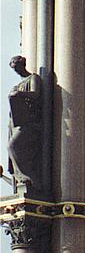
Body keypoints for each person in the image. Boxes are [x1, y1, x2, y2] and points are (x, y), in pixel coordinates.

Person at [7, 54, 41, 192]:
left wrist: (19, 94)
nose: (16, 71)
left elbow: (35, 94)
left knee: (13, 146)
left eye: (17, 67)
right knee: (12, 147)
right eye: (14, 69)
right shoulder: (18, 85)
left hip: (30, 122)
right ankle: (21, 178)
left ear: (23, 65)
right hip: (17, 122)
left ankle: (29, 178)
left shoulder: (33, 78)